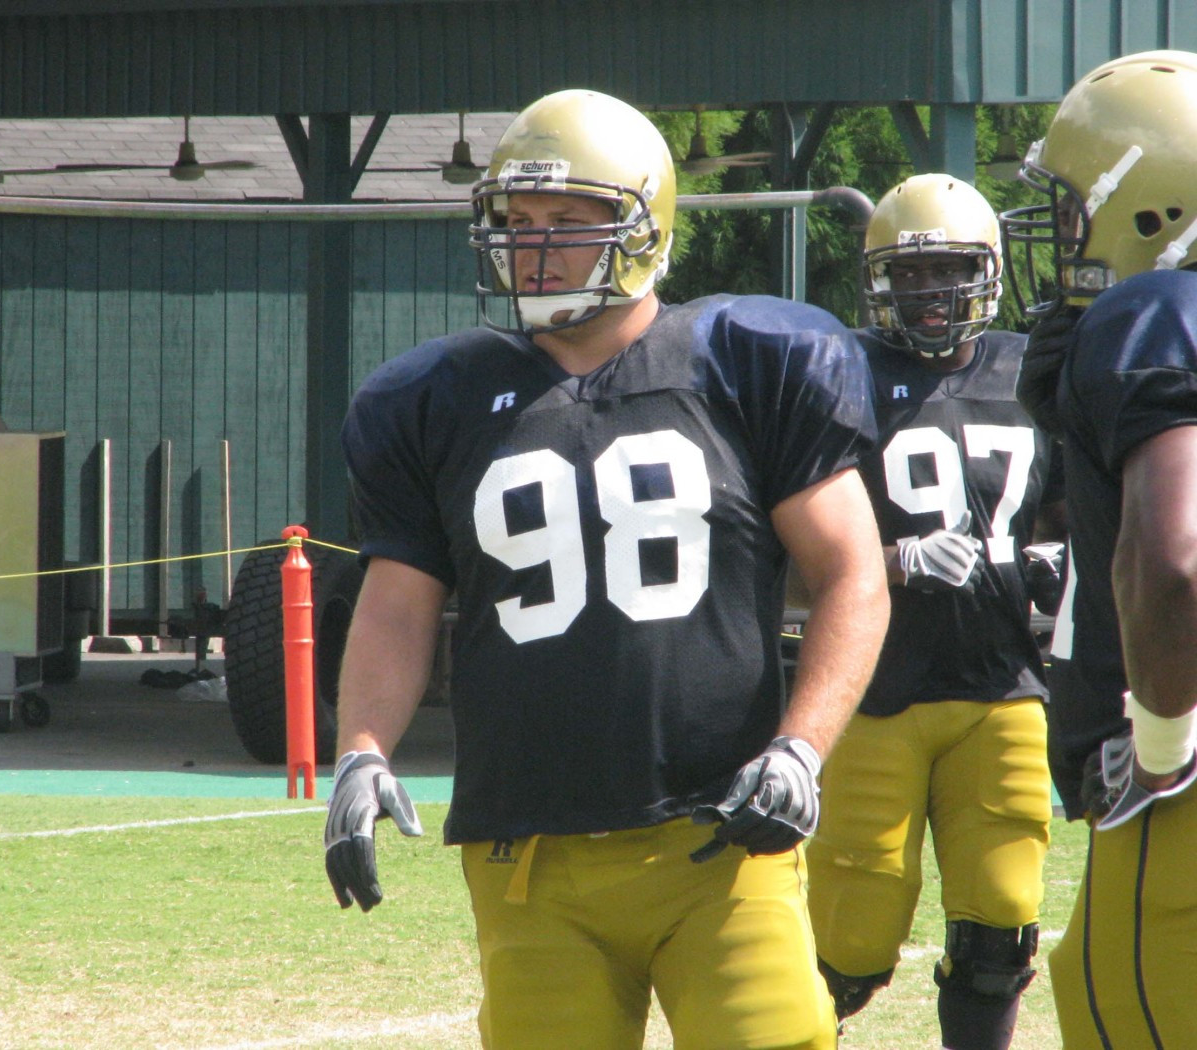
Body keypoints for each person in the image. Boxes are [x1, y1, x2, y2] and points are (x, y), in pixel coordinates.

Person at [322, 88, 890, 1049]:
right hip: (528, 856)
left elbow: (853, 575)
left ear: (643, 225)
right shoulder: (433, 399)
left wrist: (802, 748)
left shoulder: (748, 362)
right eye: (519, 221)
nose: (534, 247)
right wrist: (361, 751)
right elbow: (396, 603)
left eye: (569, 223)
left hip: (722, 838)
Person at [803, 174, 1063, 1050]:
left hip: (1003, 688)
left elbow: (1075, 511)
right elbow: (780, 552)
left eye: (949, 270)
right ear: (875, 280)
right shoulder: (836, 374)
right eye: (908, 275)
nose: (929, 293)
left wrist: (1065, 560)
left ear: (986, 271)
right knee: (847, 946)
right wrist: (891, 561)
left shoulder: (1033, 370)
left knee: (999, 932)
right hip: (876, 693)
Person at [1000, 49, 1197, 1047]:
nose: (1057, 235)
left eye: (1070, 209)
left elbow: (1174, 559)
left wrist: (1158, 748)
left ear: (1149, 208)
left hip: (1174, 809)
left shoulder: (1155, 310)